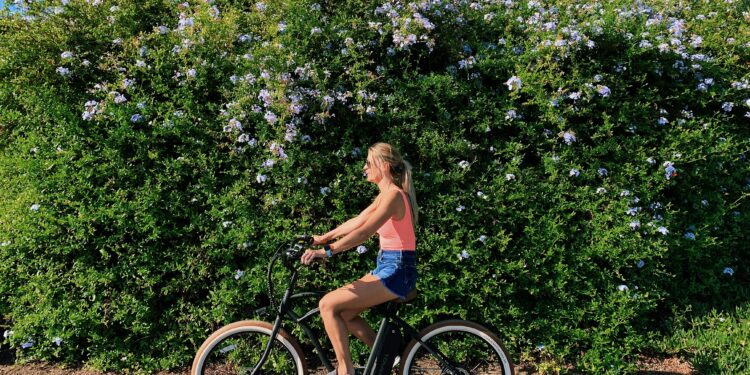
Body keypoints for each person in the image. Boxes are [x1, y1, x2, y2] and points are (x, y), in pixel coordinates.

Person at [300, 142, 418, 375]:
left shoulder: (393, 195)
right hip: (388, 265)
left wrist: (328, 251)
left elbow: (364, 233)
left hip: (398, 269)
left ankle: (346, 370)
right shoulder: (386, 195)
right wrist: (323, 237)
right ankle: (384, 352)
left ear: (383, 166)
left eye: (368, 163)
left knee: (327, 304)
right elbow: (359, 221)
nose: (364, 168)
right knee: (345, 313)